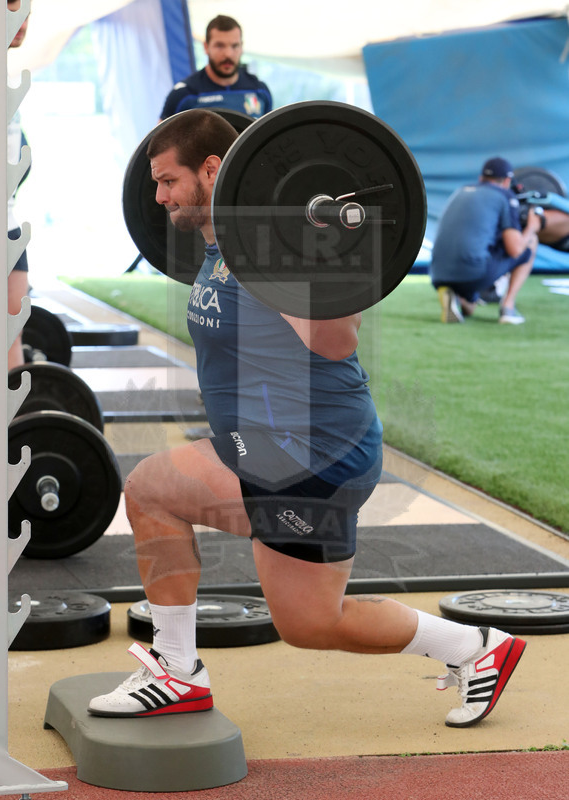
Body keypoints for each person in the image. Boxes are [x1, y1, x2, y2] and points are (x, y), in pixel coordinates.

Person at [88, 110, 526, 729]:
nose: (156, 197)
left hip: (313, 452)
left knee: (152, 490)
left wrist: (292, 263)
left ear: (212, 170)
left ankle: (176, 671)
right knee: (311, 623)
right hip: (271, 445)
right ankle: (475, 648)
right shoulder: (219, 247)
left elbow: (337, 342)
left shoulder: (274, 246)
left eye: (167, 181)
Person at [430, 157, 542, 325]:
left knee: (470, 309)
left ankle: (456, 297)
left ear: (481, 177)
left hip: (437, 273)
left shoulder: (460, 191)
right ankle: (508, 308)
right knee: (531, 241)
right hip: (473, 271)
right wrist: (532, 226)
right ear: (507, 181)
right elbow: (515, 249)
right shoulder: (505, 195)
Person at [159, 15, 272, 121]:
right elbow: (159, 135)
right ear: (206, 47)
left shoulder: (260, 90)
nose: (228, 54)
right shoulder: (184, 94)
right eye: (220, 46)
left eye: (235, 46)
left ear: (241, 47)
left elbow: (269, 132)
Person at [7, 0, 30, 369]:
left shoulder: (5, 82)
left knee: (12, 331)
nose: (23, 18)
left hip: (7, 225)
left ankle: (16, 399)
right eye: (12, 6)